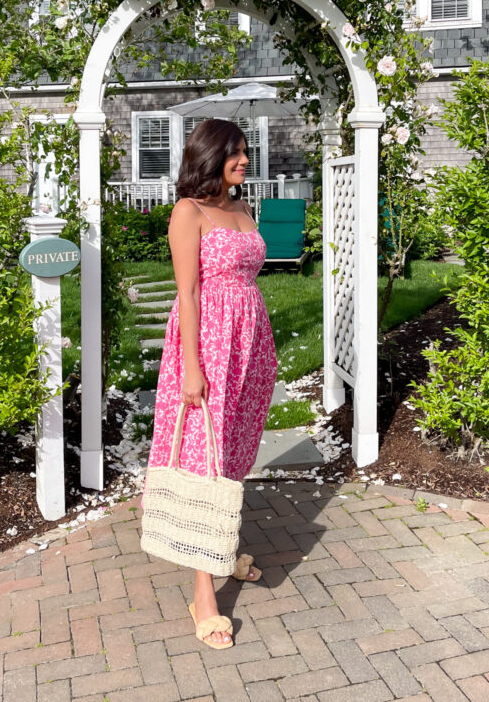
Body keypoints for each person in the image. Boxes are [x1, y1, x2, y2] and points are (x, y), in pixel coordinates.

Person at [145, 118, 277, 649]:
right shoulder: (189, 211)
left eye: (244, 151)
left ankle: (223, 547)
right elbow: (190, 293)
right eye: (235, 153)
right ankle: (204, 593)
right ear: (210, 156)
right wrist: (193, 367)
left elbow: (248, 279)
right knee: (206, 459)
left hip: (249, 344)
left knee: (235, 452)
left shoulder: (242, 208)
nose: (244, 160)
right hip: (209, 346)